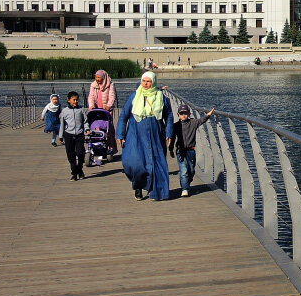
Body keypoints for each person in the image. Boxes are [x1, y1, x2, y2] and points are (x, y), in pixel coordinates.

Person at [117, 71, 174, 201]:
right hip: (135, 135)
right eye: (144, 81)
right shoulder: (134, 96)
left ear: (153, 82)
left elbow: (169, 116)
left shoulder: (161, 97)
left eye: (148, 81)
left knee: (156, 163)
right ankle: (138, 185)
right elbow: (123, 116)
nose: (146, 84)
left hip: (156, 135)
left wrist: (169, 133)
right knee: (133, 163)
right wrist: (120, 134)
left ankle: (157, 192)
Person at [169, 103, 215, 197]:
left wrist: (209, 114)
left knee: (191, 170)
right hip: (180, 150)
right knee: (184, 170)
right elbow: (172, 138)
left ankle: (187, 183)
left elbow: (202, 120)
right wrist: (170, 149)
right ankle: (185, 189)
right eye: (181, 114)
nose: (183, 115)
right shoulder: (176, 126)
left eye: (185, 113)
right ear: (178, 115)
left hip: (191, 150)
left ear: (189, 114)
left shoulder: (193, 123)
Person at [57, 91, 87, 181]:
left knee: (80, 153)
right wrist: (61, 136)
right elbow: (62, 124)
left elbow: (85, 121)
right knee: (71, 154)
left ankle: (80, 169)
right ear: (69, 100)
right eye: (73, 100)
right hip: (68, 134)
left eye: (77, 100)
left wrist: (87, 129)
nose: (76, 101)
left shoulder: (81, 110)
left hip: (79, 134)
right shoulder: (64, 111)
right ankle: (74, 172)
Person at [87, 69, 118, 154]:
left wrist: (109, 105)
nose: (97, 79)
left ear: (103, 77)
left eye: (99, 77)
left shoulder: (110, 84)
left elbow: (112, 96)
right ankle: (97, 147)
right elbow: (91, 96)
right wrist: (91, 105)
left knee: (108, 128)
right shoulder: (93, 85)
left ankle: (110, 148)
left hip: (106, 110)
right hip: (96, 110)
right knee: (96, 126)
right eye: (96, 77)